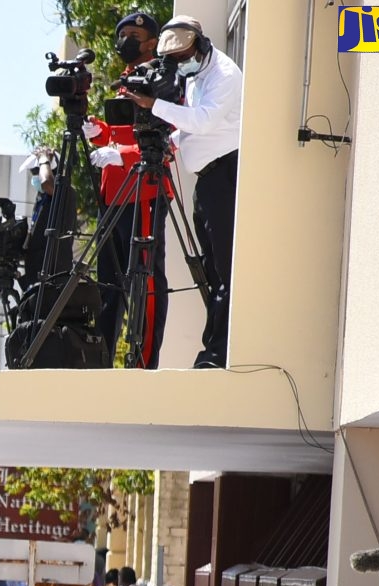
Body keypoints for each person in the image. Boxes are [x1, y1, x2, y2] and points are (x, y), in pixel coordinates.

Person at [122, 14, 241, 368]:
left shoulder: (223, 74)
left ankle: (219, 353)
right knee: (211, 269)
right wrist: (166, 139)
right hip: (206, 180)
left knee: (224, 270)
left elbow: (204, 121)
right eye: (172, 57)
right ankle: (213, 347)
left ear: (201, 44)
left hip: (226, 176)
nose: (179, 62)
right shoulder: (194, 75)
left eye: (183, 54)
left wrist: (153, 106)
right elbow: (189, 130)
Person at [87, 11, 172, 368]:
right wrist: (100, 133)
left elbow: (169, 139)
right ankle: (102, 360)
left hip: (145, 189)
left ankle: (144, 362)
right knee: (109, 284)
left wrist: (121, 154)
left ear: (152, 41)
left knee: (147, 280)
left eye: (134, 34)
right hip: (114, 195)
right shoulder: (125, 80)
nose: (125, 40)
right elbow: (121, 132)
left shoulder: (164, 80)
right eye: (122, 34)